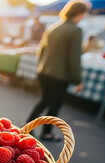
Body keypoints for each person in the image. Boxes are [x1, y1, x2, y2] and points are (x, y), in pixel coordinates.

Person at [26, 0, 90, 141]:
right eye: (85, 13)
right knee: (54, 105)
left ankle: (27, 126)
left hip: (44, 71)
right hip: (59, 76)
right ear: (79, 13)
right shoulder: (75, 31)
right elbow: (74, 58)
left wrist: (42, 67)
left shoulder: (54, 27)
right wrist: (77, 80)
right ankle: (46, 133)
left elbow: (41, 51)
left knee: (44, 101)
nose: (85, 16)